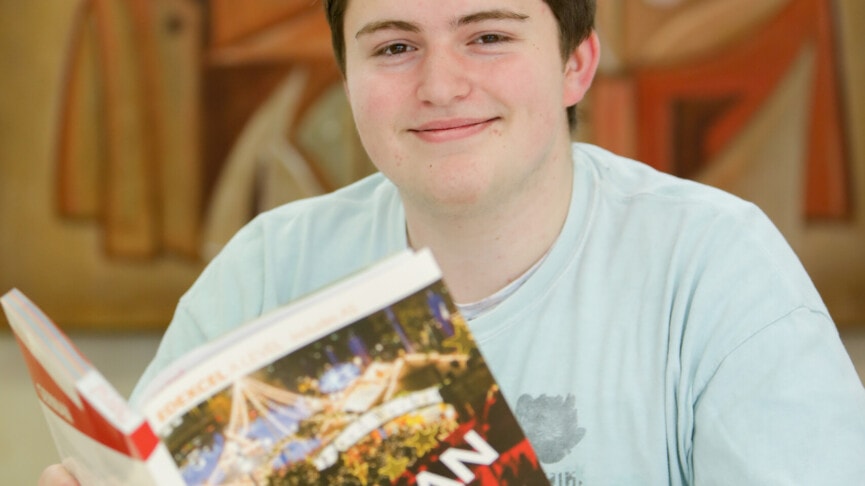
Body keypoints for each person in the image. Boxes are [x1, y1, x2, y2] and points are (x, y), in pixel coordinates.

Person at [41, 0, 865, 484]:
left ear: (576, 64)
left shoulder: (718, 268)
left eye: (488, 36)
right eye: (394, 46)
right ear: (346, 79)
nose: (439, 85)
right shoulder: (267, 268)